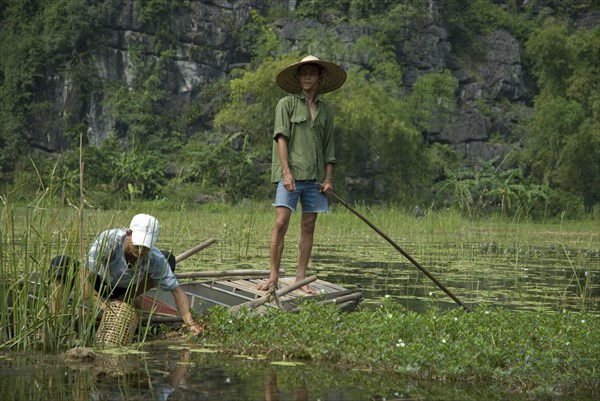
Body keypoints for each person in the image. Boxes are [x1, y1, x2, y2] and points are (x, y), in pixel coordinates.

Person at [257, 55, 347, 294]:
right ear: (298, 78)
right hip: (291, 177)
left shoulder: (326, 110)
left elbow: (329, 147)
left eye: (312, 73)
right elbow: (281, 139)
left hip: (315, 178)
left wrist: (328, 178)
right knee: (280, 223)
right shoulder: (285, 104)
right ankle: (273, 277)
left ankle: (300, 278)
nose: (307, 77)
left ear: (319, 78)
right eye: (303, 73)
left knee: (308, 226)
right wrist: (286, 174)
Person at [52, 214, 204, 335]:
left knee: (168, 259)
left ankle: (126, 300)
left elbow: (177, 291)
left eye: (146, 247)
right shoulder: (109, 240)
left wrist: (189, 321)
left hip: (125, 290)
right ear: (129, 233)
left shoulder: (154, 257)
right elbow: (84, 275)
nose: (141, 251)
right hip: (99, 283)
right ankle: (56, 322)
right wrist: (103, 306)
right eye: (138, 245)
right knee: (60, 262)